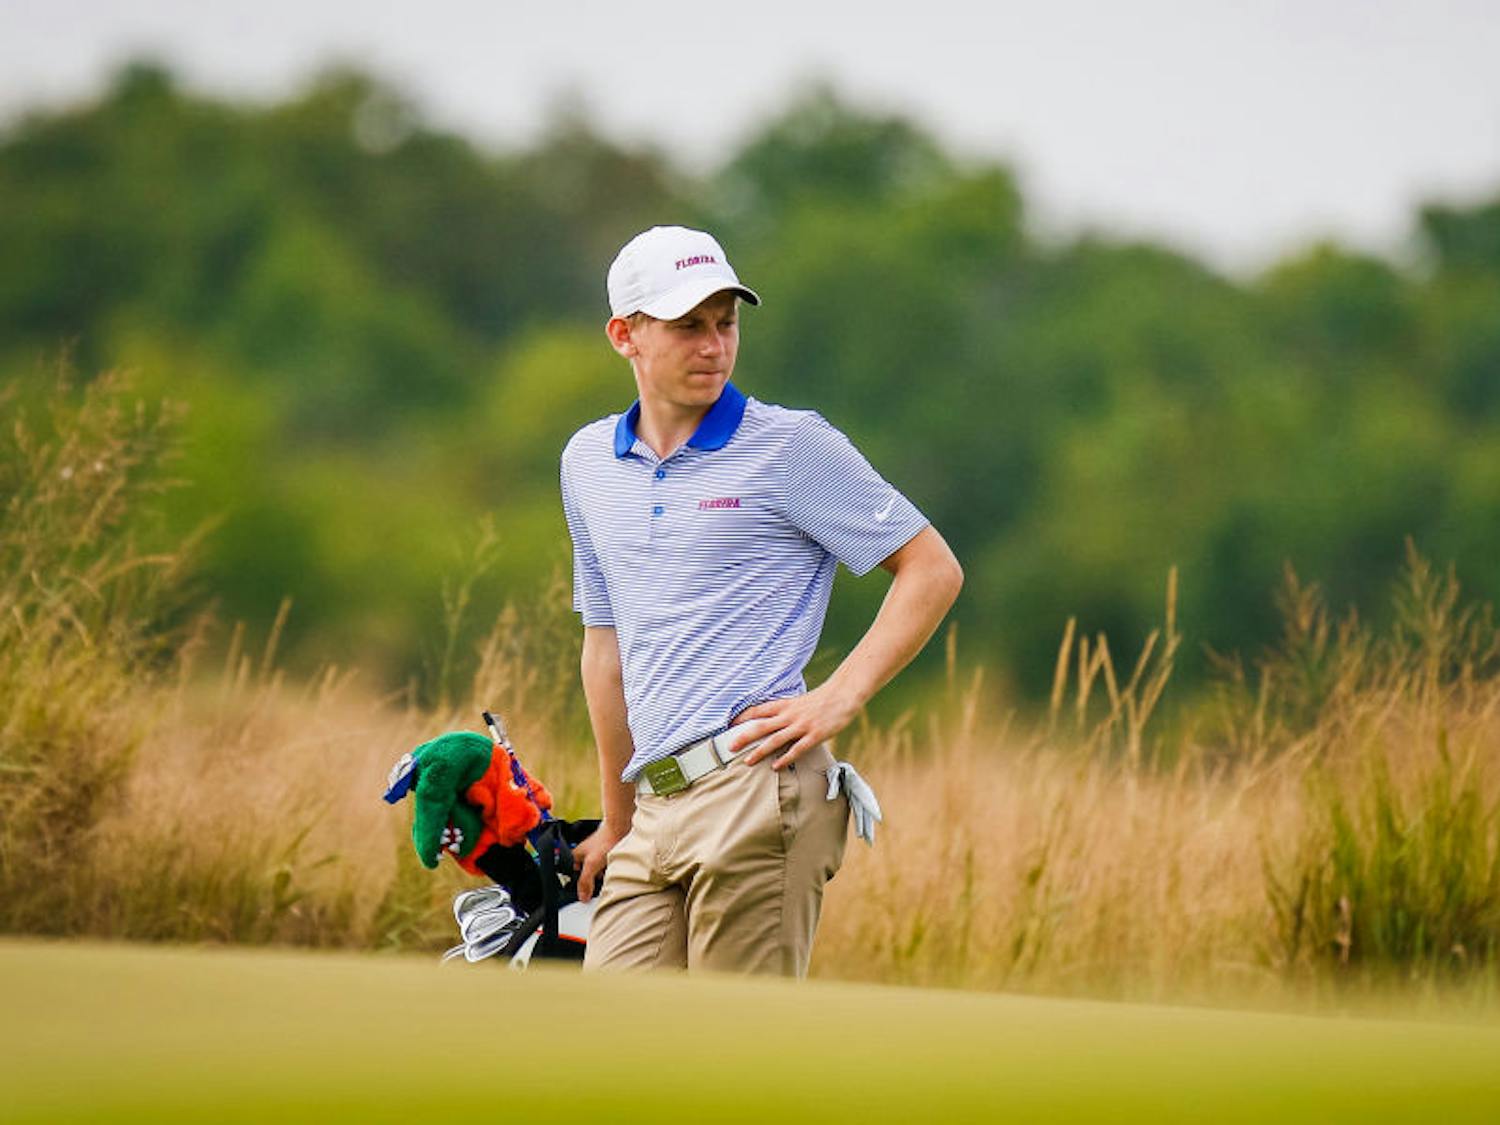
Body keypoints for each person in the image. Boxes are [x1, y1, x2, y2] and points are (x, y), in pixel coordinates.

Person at [563, 225, 963, 976]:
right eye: (688, 326)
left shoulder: (790, 447)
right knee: (614, 1051)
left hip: (760, 788)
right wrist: (616, 821)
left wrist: (838, 699)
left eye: (726, 322)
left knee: (730, 1060)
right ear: (626, 335)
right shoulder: (587, 462)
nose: (714, 346)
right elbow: (606, 649)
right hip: (654, 807)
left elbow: (931, 568)